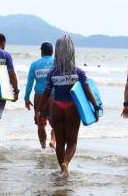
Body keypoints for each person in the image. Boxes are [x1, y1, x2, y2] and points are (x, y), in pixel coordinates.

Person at [37, 35, 99, 176]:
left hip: (57, 107)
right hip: (72, 107)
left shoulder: (52, 73)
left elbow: (46, 93)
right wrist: (95, 107)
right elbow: (88, 92)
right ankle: (66, 163)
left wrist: (40, 111)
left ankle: (62, 170)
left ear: (57, 51)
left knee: (60, 142)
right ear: (72, 51)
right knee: (72, 142)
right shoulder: (78, 72)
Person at [24, 42, 56, 149]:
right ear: (52, 52)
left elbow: (29, 83)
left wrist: (26, 98)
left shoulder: (35, 64)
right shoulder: (57, 63)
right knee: (56, 123)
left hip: (39, 96)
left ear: (41, 51)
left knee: (40, 123)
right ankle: (53, 140)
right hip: (53, 95)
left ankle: (43, 147)